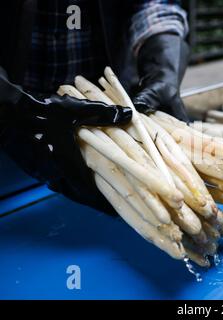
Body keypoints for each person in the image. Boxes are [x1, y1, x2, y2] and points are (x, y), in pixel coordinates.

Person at [0, 0, 190, 214]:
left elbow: (153, 4)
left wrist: (163, 61)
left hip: (108, 115)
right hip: (12, 121)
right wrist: (11, 100)